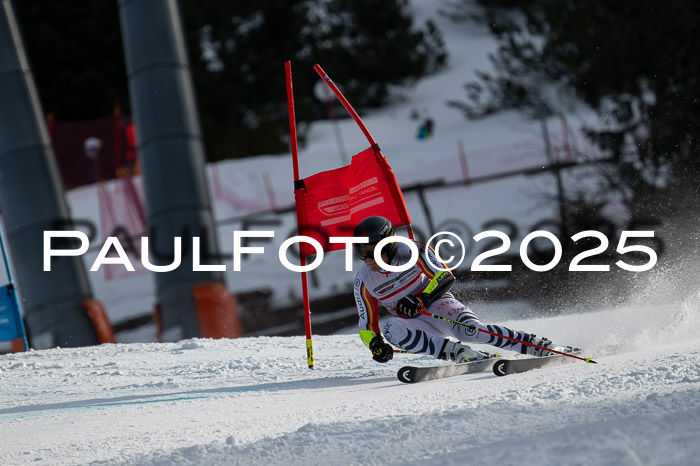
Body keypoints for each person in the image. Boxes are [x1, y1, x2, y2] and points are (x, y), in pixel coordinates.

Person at [352, 216, 576, 364]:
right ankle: (460, 354)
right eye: (362, 252)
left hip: (437, 305)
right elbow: (366, 326)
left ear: (389, 244)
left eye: (373, 250)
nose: (368, 258)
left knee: (473, 332)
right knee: (390, 328)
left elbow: (445, 276)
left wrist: (420, 299)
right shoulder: (364, 281)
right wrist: (375, 345)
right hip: (413, 322)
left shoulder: (415, 251)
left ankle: (540, 346)